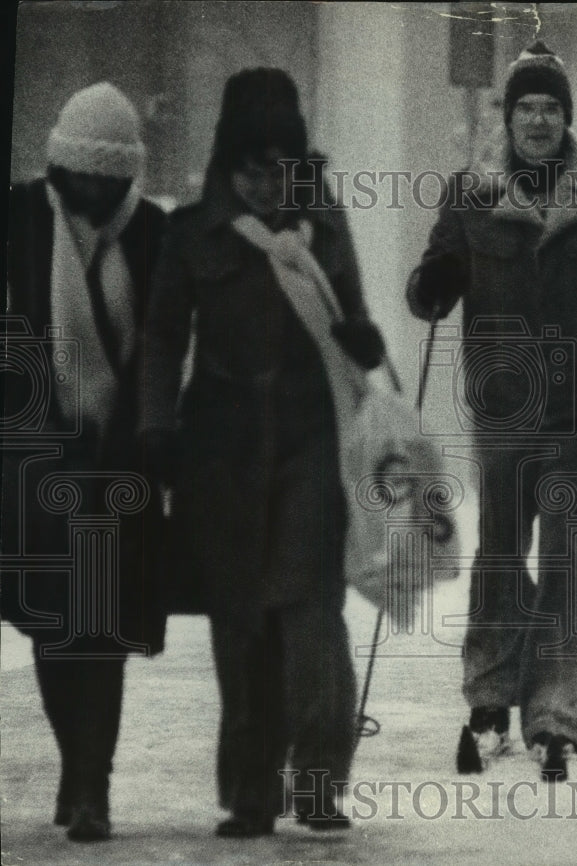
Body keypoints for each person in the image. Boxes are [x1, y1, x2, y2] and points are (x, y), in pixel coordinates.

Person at [406, 41, 577, 782]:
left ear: (567, 118)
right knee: (500, 548)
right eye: (525, 106)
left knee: (564, 554)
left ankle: (557, 713)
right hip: (500, 401)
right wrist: (431, 284)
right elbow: (435, 279)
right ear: (508, 115)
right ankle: (492, 697)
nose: (537, 119)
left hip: (573, 404)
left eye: (550, 108)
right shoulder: (470, 192)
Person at [140, 68, 384, 836]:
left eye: (282, 165)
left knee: (309, 616)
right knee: (241, 624)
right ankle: (252, 791)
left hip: (312, 445)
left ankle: (318, 785)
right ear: (226, 162)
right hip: (221, 453)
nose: (266, 184)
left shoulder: (326, 224)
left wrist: (364, 342)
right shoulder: (191, 233)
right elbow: (160, 340)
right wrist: (155, 430)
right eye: (252, 166)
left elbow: (357, 323)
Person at [2, 82, 167, 841]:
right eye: (87, 175)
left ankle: (92, 786)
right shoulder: (22, 221)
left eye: (114, 177)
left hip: (119, 464)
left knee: (98, 632)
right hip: (38, 458)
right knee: (52, 627)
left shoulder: (153, 234)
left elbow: (168, 348)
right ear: (63, 167)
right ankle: (75, 769)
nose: (99, 191)